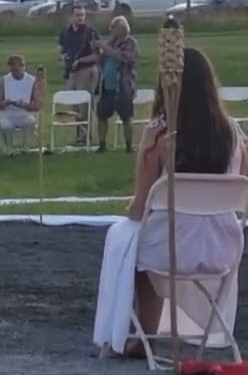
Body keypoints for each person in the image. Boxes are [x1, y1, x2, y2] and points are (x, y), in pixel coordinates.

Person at [93, 47, 246, 359]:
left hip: (170, 247)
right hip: (223, 247)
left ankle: (138, 334)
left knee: (127, 244)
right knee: (144, 241)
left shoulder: (159, 134)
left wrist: (150, 157)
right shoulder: (233, 132)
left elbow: (138, 209)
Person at [95, 16, 139, 153]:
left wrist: (104, 47)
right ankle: (102, 145)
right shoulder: (112, 42)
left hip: (123, 85)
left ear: (121, 29)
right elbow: (101, 58)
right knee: (102, 115)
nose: (111, 31)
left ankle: (128, 146)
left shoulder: (131, 43)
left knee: (126, 116)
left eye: (113, 28)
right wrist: (98, 51)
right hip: (107, 85)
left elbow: (123, 58)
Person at [59, 5, 100, 146]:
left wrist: (81, 60)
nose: (80, 18)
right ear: (71, 16)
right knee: (74, 105)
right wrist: (64, 58)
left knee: (85, 105)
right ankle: (79, 136)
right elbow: (61, 49)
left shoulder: (90, 33)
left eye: (82, 15)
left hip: (87, 70)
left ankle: (85, 137)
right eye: (77, 15)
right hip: (72, 72)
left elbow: (97, 54)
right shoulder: (66, 32)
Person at [0, 55, 40, 155]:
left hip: (24, 114)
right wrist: (5, 103)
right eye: (12, 70)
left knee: (31, 122)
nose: (14, 73)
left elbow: (36, 106)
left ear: (22, 67)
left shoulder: (32, 81)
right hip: (8, 115)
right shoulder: (3, 80)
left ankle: (26, 148)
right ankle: (9, 149)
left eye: (16, 70)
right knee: (5, 126)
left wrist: (24, 105)